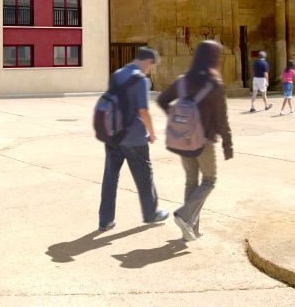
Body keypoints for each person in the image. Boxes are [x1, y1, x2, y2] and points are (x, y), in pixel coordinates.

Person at [157, 40, 233, 242]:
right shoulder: (214, 84)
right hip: (204, 141)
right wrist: (228, 144)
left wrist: (176, 121)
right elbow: (221, 118)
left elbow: (162, 99)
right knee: (209, 180)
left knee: (191, 181)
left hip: (183, 140)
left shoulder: (183, 80)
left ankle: (190, 230)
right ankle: (184, 216)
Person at [98, 47, 169, 232]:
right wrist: (152, 133)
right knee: (144, 176)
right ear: (148, 61)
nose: (150, 70)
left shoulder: (118, 74)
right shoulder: (140, 79)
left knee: (110, 177)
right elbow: (143, 111)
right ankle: (151, 213)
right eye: (151, 66)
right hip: (134, 136)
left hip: (113, 133)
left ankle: (105, 220)